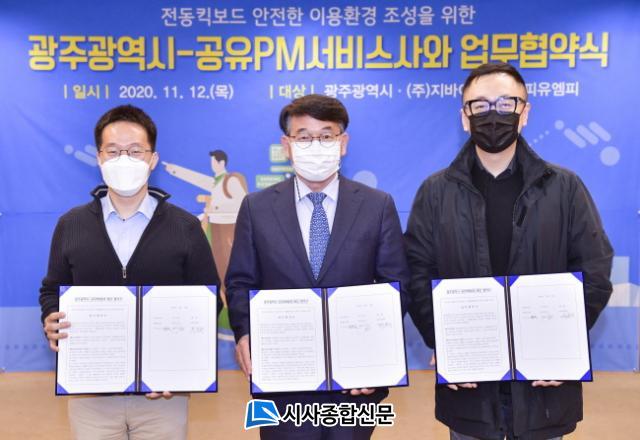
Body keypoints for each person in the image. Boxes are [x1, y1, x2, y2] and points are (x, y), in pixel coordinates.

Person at [405, 62, 613, 440]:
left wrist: (565, 343)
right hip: (469, 382)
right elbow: (418, 273)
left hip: (543, 383)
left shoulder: (564, 187)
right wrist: (442, 340)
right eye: (480, 105)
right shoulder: (435, 192)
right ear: (464, 117)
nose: (493, 114)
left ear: (525, 112)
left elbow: (594, 269)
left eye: (505, 103)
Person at [226, 94, 410, 439]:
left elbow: (395, 286)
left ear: (343, 143)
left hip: (355, 384)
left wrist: (375, 352)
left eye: (326, 136)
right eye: (304, 137)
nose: (316, 146)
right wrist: (245, 333)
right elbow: (240, 282)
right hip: (283, 384)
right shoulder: (256, 207)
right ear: (287, 145)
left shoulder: (377, 205)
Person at [39, 104, 220, 440]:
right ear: (99, 158)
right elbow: (52, 289)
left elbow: (208, 300)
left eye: (135, 151)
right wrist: (51, 316)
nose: (124, 160)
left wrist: (182, 364)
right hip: (91, 391)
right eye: (113, 151)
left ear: (152, 159)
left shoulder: (185, 226)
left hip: (163, 394)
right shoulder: (71, 224)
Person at [163, 149, 248, 301]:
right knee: (219, 266)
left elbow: (243, 202)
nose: (212, 165)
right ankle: (224, 301)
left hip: (230, 228)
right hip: (216, 227)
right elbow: (196, 179)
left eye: (214, 162)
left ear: (221, 163)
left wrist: (214, 208)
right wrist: (174, 169)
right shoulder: (216, 182)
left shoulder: (231, 180)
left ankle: (236, 301)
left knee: (231, 266)